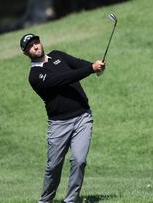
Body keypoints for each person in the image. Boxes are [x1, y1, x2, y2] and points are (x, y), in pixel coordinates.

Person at [20, 33, 105, 203]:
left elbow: (78, 64)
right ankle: (45, 200)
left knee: (79, 160)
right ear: (26, 53)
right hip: (59, 124)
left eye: (36, 42)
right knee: (54, 166)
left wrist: (95, 66)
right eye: (30, 46)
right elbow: (62, 79)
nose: (35, 46)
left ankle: (71, 200)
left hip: (83, 117)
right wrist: (90, 69)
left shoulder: (58, 55)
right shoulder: (35, 75)